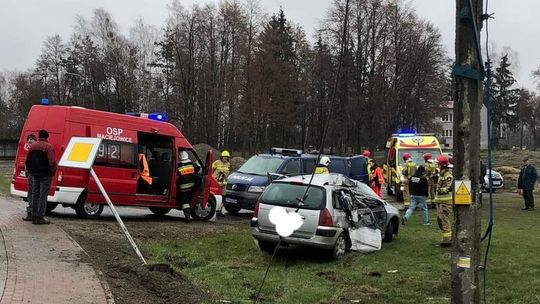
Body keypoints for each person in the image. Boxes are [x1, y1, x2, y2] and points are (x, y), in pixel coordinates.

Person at [25, 130, 57, 225]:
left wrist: (31, 171)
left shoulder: (32, 146)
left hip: (35, 175)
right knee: (43, 196)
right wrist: (52, 172)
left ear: (39, 136)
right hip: (45, 175)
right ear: (47, 137)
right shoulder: (49, 147)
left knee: (35, 195)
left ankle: (33, 216)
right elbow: (52, 162)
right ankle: (40, 217)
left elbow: (28, 161)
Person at [434, 154, 453, 247]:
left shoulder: (448, 174)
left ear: (442, 164)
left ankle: (447, 240)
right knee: (440, 220)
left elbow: (450, 187)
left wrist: (441, 190)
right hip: (440, 201)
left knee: (444, 220)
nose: (437, 165)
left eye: (438, 164)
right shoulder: (441, 173)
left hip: (446, 202)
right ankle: (446, 238)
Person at [177, 151, 197, 222]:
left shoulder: (179, 165)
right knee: (189, 197)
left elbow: (176, 173)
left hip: (183, 186)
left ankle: (187, 215)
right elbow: (197, 169)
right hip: (192, 185)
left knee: (184, 201)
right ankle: (191, 206)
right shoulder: (192, 164)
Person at [22, 134, 37, 221]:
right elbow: (26, 162)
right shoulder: (29, 150)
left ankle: (34, 214)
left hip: (35, 175)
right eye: (28, 140)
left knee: (34, 194)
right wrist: (26, 172)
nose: (29, 141)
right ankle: (30, 214)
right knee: (30, 194)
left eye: (31, 139)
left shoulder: (36, 150)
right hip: (30, 175)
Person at [213, 150, 231, 215]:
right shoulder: (216, 163)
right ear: (221, 157)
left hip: (223, 184)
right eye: (224, 157)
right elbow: (210, 170)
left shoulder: (229, 165)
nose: (225, 158)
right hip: (216, 183)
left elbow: (228, 174)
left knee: (223, 197)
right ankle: (213, 208)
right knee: (214, 196)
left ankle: (219, 210)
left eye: (226, 157)